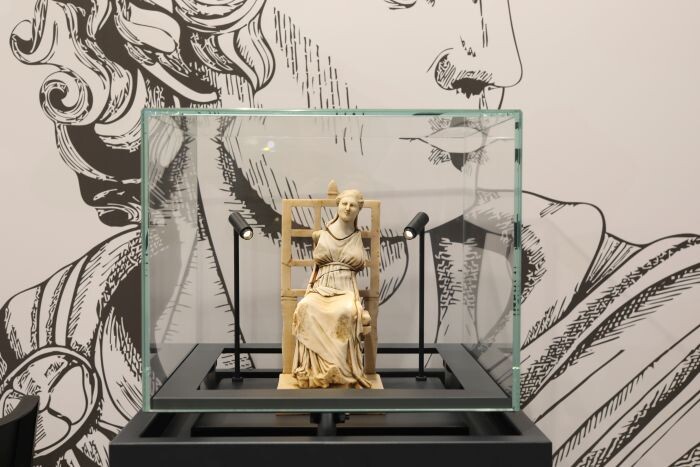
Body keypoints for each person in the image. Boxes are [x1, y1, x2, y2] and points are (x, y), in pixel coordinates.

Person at [292, 189, 372, 389]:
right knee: (305, 306)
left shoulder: (357, 237)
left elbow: (359, 264)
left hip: (345, 289)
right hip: (322, 286)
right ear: (338, 205)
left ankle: (340, 371)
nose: (348, 208)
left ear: (359, 209)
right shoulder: (320, 234)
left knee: (347, 311)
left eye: (353, 205)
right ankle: (315, 370)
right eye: (344, 203)